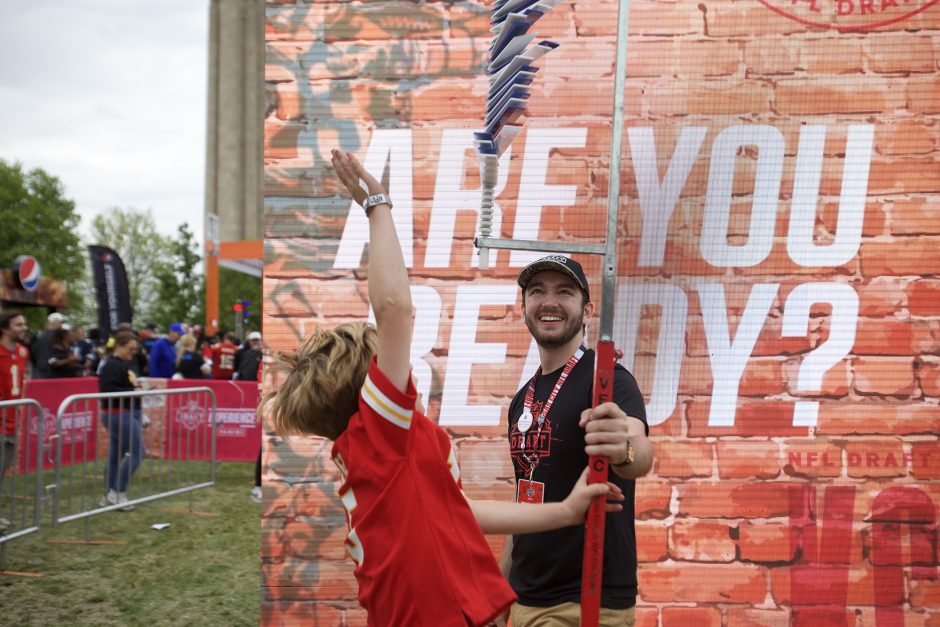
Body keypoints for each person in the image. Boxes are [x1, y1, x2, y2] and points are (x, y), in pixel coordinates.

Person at [263, 150, 624, 626]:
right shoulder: (380, 433)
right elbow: (394, 308)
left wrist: (564, 511)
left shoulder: (383, 456)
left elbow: (463, 512)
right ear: (367, 385)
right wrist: (377, 203)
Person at [501, 255, 654, 627]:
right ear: (524, 309)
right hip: (524, 600)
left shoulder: (608, 380)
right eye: (537, 291)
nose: (549, 302)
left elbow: (640, 455)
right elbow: (524, 497)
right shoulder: (524, 399)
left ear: (587, 311)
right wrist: (500, 594)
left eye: (564, 292)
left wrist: (624, 449)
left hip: (585, 601)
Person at [98, 330, 145, 511]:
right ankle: (117, 491)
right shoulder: (112, 365)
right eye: (130, 349)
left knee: (115, 455)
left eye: (134, 350)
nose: (132, 353)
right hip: (119, 413)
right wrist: (132, 391)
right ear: (119, 346)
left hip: (120, 413)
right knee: (137, 452)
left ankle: (111, 493)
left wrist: (134, 389)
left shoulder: (119, 364)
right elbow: (108, 389)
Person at [0, 311, 29, 533]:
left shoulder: (22, 351)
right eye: (18, 324)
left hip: (12, 420)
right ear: (5, 328)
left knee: (3, 469)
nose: (23, 327)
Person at [30, 312, 65, 379]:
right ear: (56, 322)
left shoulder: (38, 336)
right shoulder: (58, 337)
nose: (61, 326)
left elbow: (32, 353)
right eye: (61, 323)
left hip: (38, 374)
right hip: (54, 375)